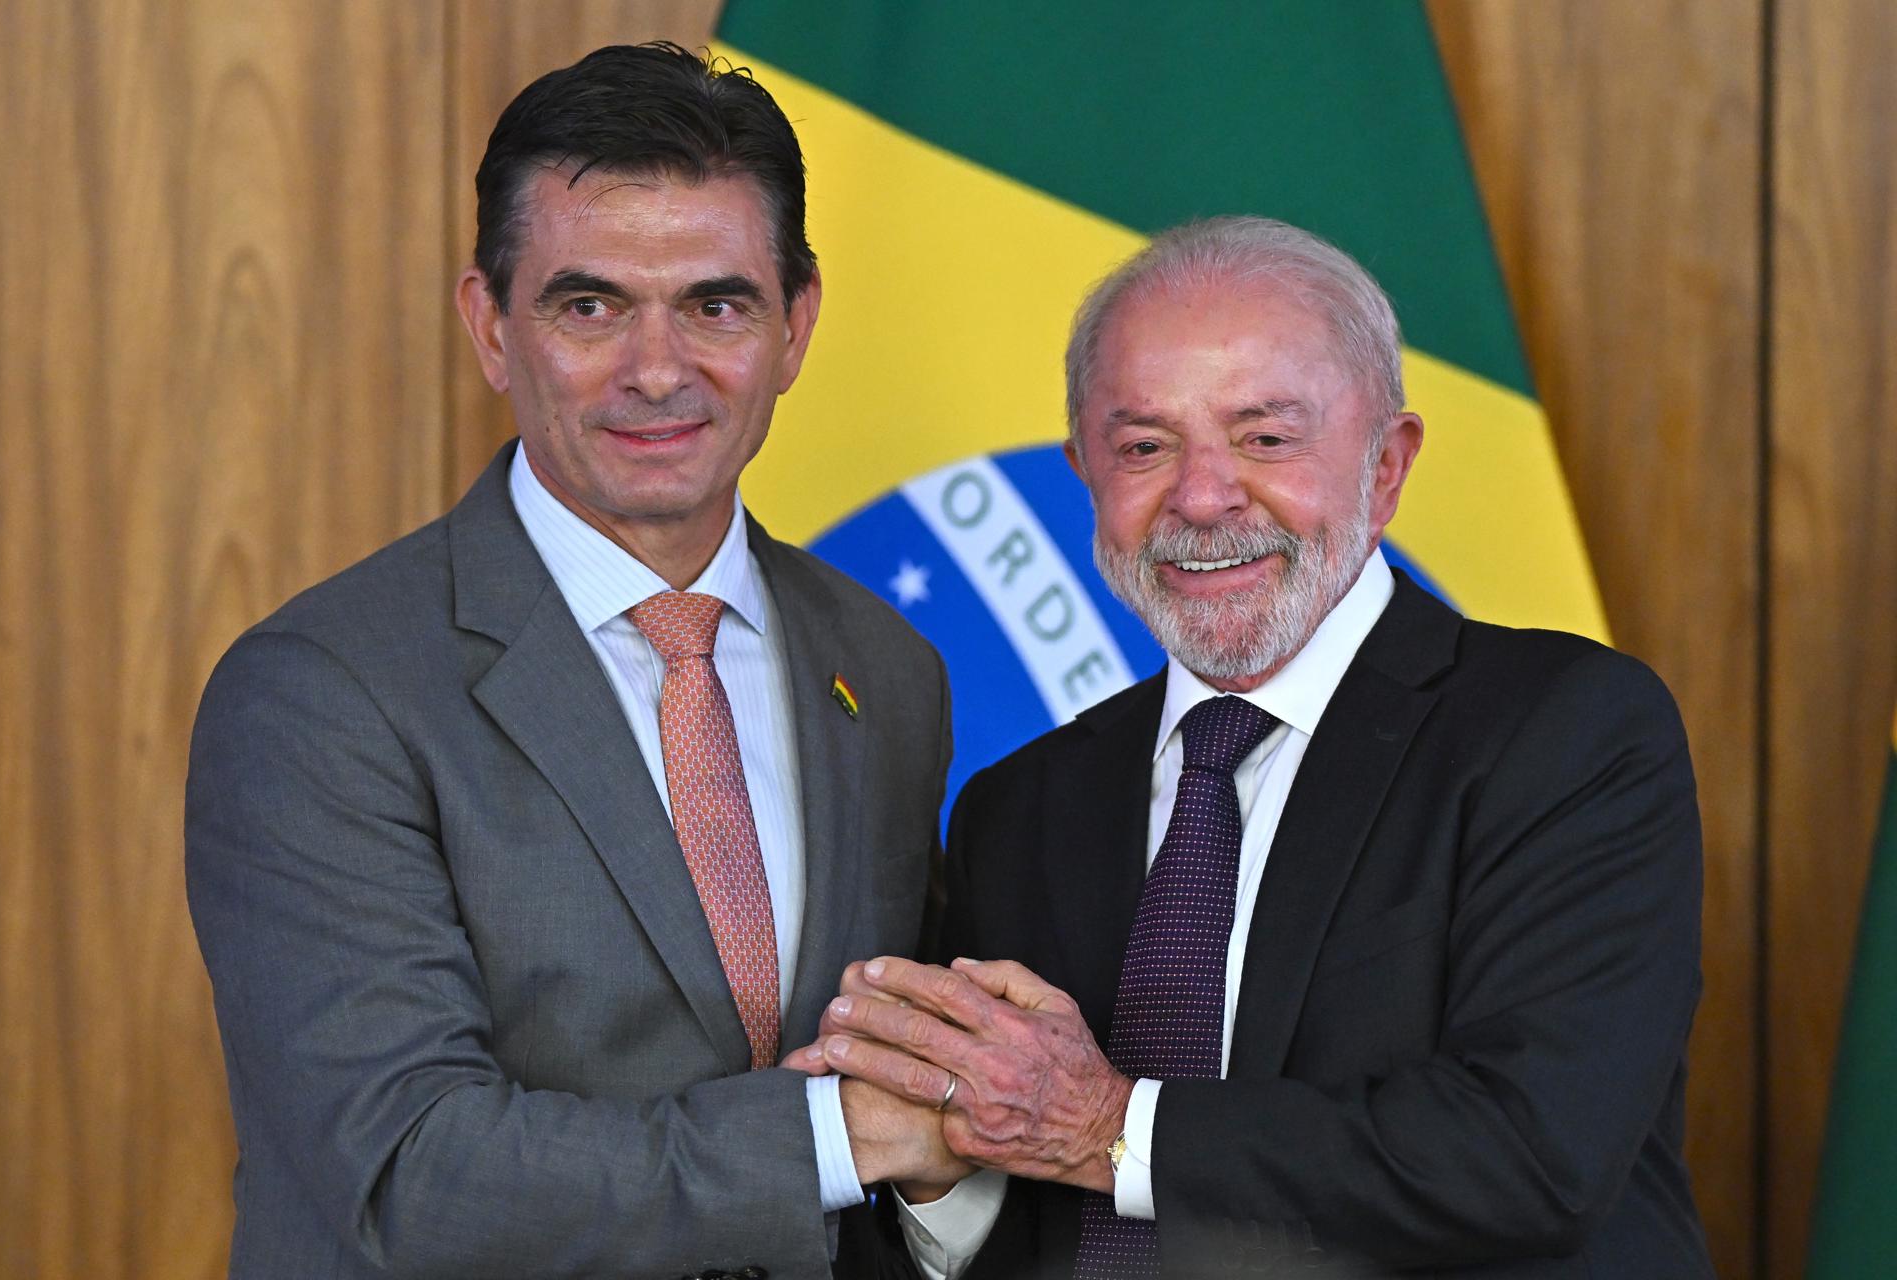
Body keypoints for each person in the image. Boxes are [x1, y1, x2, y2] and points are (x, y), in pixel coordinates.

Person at [795, 217, 1715, 1277]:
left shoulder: (1567, 731)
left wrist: (1108, 1126)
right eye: (1144, 447)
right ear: (1085, 473)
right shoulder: (1021, 804)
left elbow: (1533, 1157)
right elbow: (1039, 1217)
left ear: (1387, 466)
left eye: (1266, 439)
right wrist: (941, 1178)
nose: (1202, 496)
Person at [185, 42, 961, 1279]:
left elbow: (898, 1127)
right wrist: (836, 1134)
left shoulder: (887, 666)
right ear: (491, 327)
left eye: (716, 305)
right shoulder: (320, 692)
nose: (658, 370)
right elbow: (407, 1172)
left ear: (796, 326)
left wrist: (951, 1152)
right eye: (589, 307)